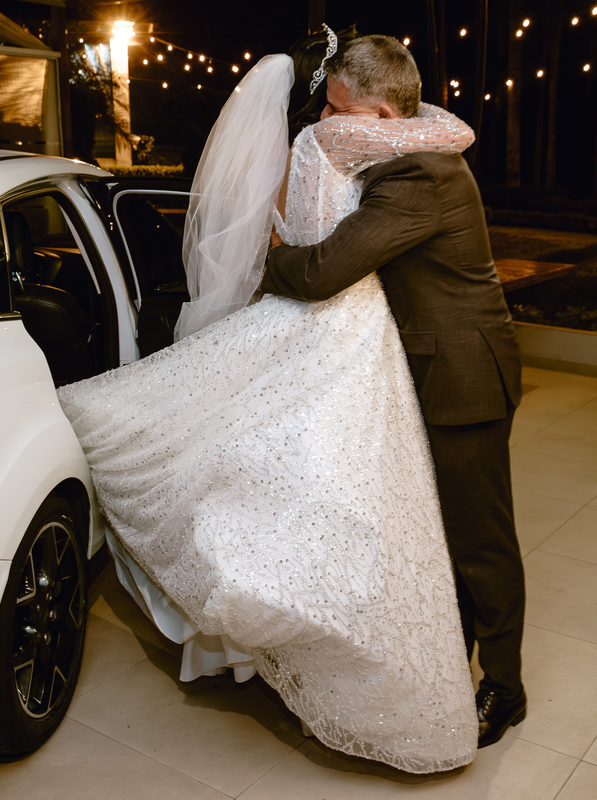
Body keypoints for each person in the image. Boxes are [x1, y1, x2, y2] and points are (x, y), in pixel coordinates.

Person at [57, 27, 479, 773]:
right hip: (344, 327)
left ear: (367, 105)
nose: (328, 115)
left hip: (322, 322)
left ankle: (287, 640)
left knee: (319, 483)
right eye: (327, 103)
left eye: (340, 104)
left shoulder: (317, 141)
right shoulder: (338, 140)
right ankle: (325, 647)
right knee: (342, 492)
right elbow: (453, 129)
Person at [263, 35, 527, 749]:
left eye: (337, 108)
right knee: (444, 536)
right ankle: (452, 658)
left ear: (381, 113)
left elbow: (322, 272)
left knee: (480, 540)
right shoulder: (405, 149)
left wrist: (272, 255)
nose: (325, 118)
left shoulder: (419, 175)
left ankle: (505, 685)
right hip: (439, 365)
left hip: (463, 377)